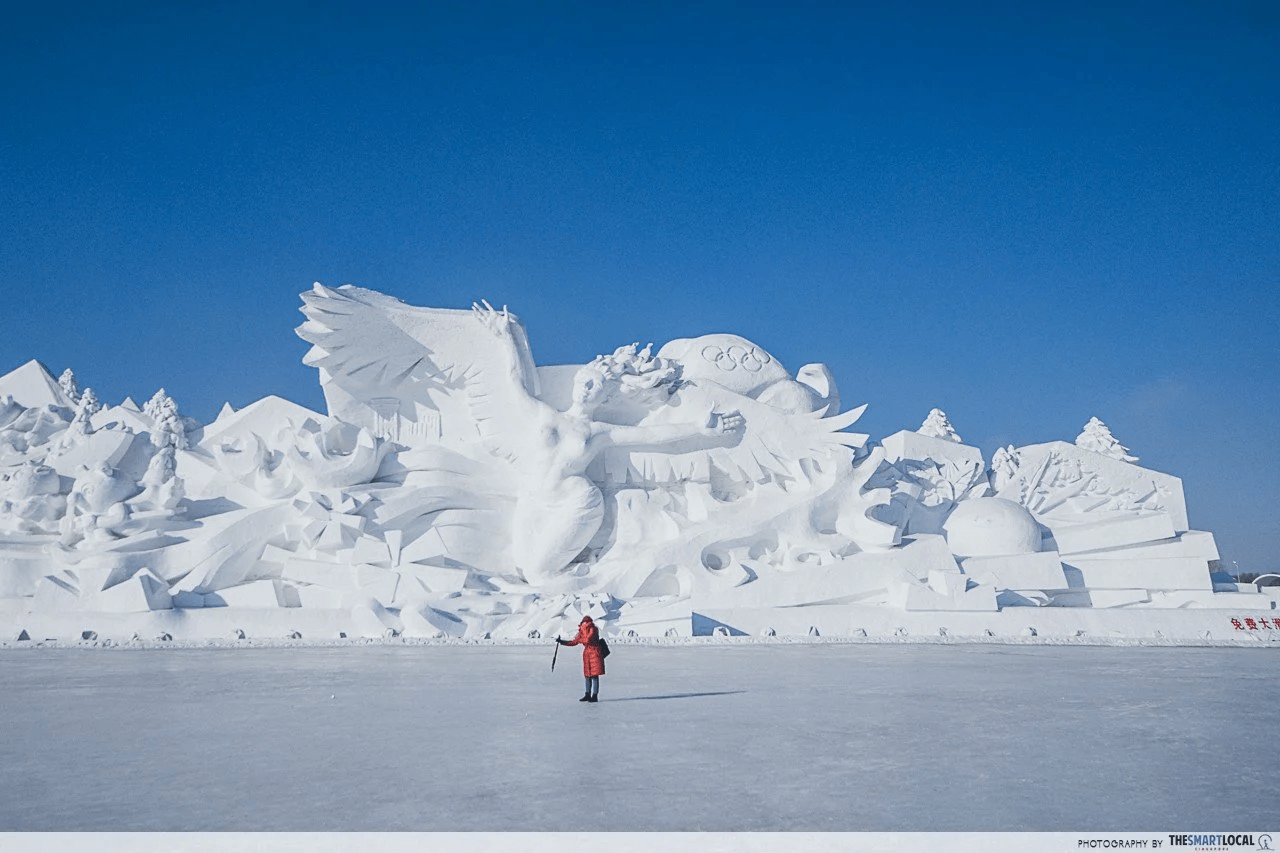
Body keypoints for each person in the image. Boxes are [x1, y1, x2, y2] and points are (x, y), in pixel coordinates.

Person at [557, 616, 605, 702]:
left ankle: (594, 696)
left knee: (594, 676)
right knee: (588, 676)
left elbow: (587, 640)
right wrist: (562, 642)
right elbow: (574, 642)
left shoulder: (593, 629)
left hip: (594, 653)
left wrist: (580, 636)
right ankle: (588, 694)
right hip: (588, 654)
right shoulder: (584, 631)